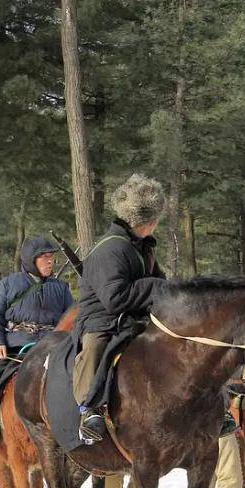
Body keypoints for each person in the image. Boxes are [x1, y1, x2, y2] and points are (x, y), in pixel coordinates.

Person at [71, 174, 169, 443]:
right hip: (102, 320)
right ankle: (90, 410)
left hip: (136, 318)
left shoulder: (140, 247)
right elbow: (115, 298)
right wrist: (154, 287)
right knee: (95, 348)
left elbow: (159, 285)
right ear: (148, 221)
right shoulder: (111, 249)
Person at [0, 236, 73, 447]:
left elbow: (70, 318)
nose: (49, 262)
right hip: (17, 345)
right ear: (30, 260)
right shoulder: (8, 284)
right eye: (44, 257)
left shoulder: (61, 288)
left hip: (52, 346)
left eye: (51, 257)